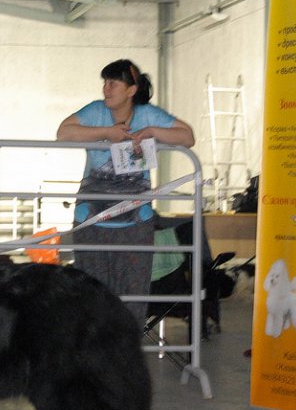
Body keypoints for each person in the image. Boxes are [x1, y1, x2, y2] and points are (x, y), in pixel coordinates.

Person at [56, 58, 194, 324]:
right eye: (105, 83)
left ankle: (125, 354)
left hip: (136, 223)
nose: (106, 89)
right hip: (91, 221)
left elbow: (187, 136)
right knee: (91, 297)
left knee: (132, 297)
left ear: (131, 91)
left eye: (113, 83)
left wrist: (153, 131)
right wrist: (108, 132)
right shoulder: (95, 111)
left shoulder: (148, 114)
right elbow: (63, 132)